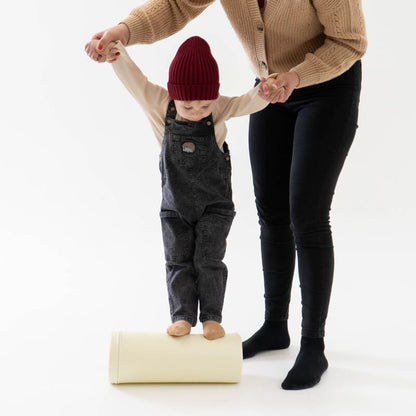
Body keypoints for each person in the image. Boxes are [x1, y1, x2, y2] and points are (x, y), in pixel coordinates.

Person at [85, 0, 367, 389]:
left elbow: (350, 42)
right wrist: (125, 31)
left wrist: (296, 77)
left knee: (307, 214)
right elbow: (176, 5)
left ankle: (313, 345)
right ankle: (275, 326)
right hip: (269, 87)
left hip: (326, 88)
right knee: (271, 212)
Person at [88, 35, 268, 340]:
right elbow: (135, 80)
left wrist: (266, 90)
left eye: (204, 105)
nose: (197, 111)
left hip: (215, 207)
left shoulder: (219, 107)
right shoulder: (159, 103)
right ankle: (182, 316)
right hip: (175, 208)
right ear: (174, 95)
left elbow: (245, 103)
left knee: (208, 260)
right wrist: (113, 50)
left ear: (214, 97)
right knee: (178, 261)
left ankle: (211, 317)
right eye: (188, 105)